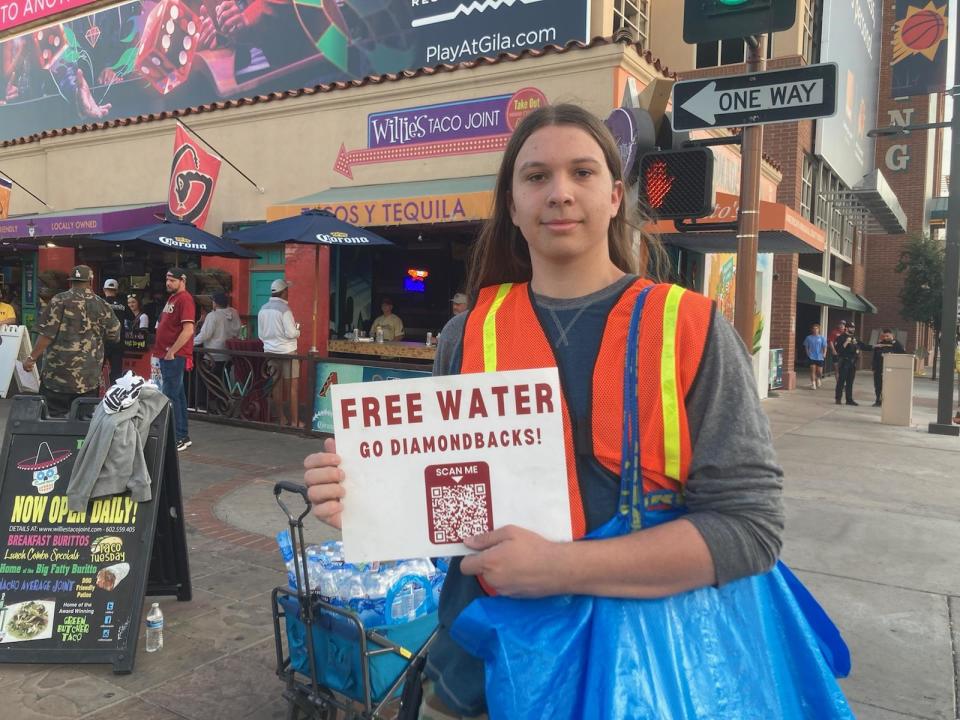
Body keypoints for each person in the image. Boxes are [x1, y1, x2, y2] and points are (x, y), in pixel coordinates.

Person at [302, 106, 852, 718]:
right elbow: (452, 526)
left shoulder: (690, 327)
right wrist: (369, 501)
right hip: (476, 675)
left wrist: (562, 568)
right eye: (536, 177)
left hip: (643, 676)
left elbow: (750, 529)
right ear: (511, 205)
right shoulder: (467, 336)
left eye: (582, 173)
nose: (560, 193)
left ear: (615, 196)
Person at [22, 265, 120, 417]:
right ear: (91, 281)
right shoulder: (103, 305)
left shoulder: (58, 300)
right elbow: (114, 334)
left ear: (71, 282)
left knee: (52, 419)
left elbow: (46, 335)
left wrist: (31, 358)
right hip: (88, 379)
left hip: (56, 378)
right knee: (83, 423)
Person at [153, 268, 196, 451]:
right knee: (177, 396)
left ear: (182, 280)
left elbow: (188, 330)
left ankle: (176, 436)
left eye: (172, 280)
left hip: (174, 355)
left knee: (170, 396)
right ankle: (181, 434)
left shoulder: (185, 299)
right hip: (166, 353)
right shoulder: (172, 299)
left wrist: (172, 351)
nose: (168, 283)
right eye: (167, 279)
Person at [258, 278, 300, 426]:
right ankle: (295, 421)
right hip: (287, 351)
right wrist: (297, 331)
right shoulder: (285, 310)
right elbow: (290, 333)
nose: (288, 293)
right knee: (292, 386)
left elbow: (261, 335)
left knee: (276, 384)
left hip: (270, 352)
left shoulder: (263, 309)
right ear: (283, 292)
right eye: (287, 291)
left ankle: (281, 418)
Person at [195, 291, 241, 383]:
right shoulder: (234, 312)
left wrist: (190, 343)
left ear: (215, 303)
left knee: (209, 382)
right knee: (224, 381)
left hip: (213, 357)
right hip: (228, 355)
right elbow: (238, 330)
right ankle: (223, 397)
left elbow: (204, 335)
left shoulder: (213, 316)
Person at [102, 278, 132, 384]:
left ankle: (93, 398)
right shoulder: (123, 304)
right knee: (116, 373)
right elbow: (132, 317)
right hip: (118, 342)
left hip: (102, 343)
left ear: (104, 289)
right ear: (117, 290)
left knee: (97, 372)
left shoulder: (100, 303)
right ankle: (115, 397)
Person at [833, 321, 869, 406]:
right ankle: (838, 399)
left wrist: (876, 346)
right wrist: (846, 342)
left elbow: (863, 346)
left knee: (850, 382)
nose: (853, 329)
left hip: (853, 363)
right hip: (844, 362)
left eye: (853, 327)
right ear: (846, 328)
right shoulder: (841, 337)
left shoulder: (854, 338)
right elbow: (838, 350)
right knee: (841, 381)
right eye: (851, 327)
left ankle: (849, 400)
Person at [871, 328, 905, 406]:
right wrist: (873, 367)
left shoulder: (896, 344)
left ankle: (889, 402)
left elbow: (902, 353)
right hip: (879, 368)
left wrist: (893, 340)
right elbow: (875, 357)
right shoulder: (880, 344)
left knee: (889, 386)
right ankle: (878, 401)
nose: (885, 337)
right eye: (884, 336)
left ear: (891, 335)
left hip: (891, 369)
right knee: (878, 386)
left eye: (887, 336)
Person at [802, 323, 828, 389]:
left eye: (816, 328)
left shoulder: (822, 338)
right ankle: (813, 384)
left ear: (819, 330)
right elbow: (806, 346)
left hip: (820, 356)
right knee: (812, 370)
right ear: (812, 330)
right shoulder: (808, 337)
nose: (815, 330)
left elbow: (825, 346)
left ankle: (818, 379)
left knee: (819, 372)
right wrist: (807, 353)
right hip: (812, 356)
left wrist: (824, 353)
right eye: (814, 328)